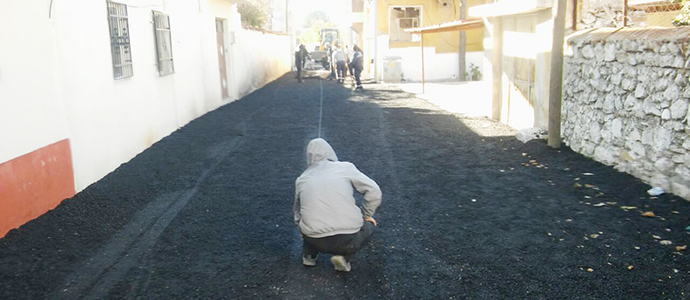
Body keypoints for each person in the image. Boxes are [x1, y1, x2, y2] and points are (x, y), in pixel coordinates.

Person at [293, 138, 382, 272]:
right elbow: (374, 191)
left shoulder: (302, 178)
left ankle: (309, 256)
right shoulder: (345, 168)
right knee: (370, 226)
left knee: (306, 221)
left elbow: (297, 211)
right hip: (347, 238)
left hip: (314, 239)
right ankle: (343, 257)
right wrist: (366, 215)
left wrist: (303, 231)